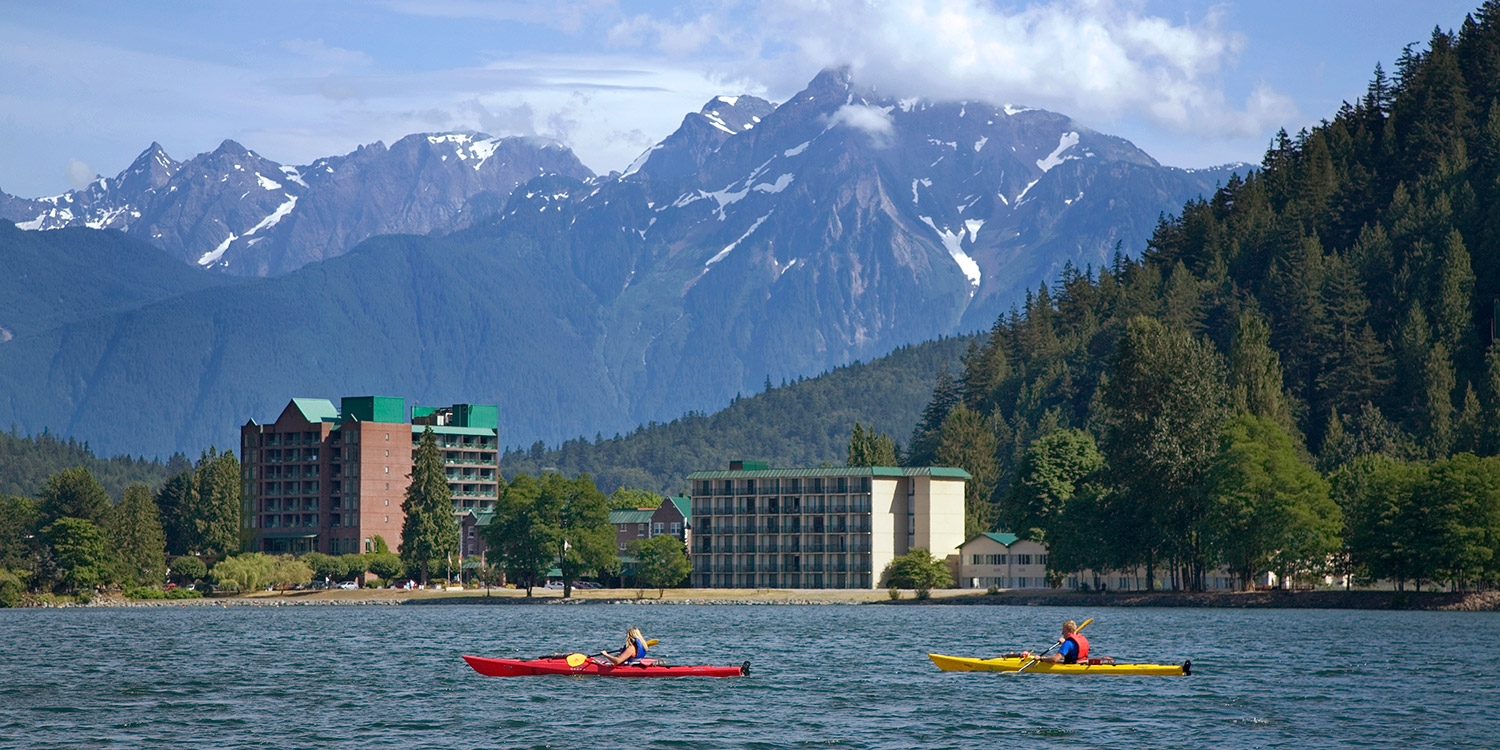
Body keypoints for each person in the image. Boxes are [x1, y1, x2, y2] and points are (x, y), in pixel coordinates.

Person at [1023, 620, 1089, 664]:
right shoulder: (1081, 639)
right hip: (1082, 663)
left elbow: (1055, 659)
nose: (1062, 633)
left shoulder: (1068, 643)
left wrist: (1041, 659)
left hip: (1071, 665)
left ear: (1070, 631)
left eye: (1064, 631)